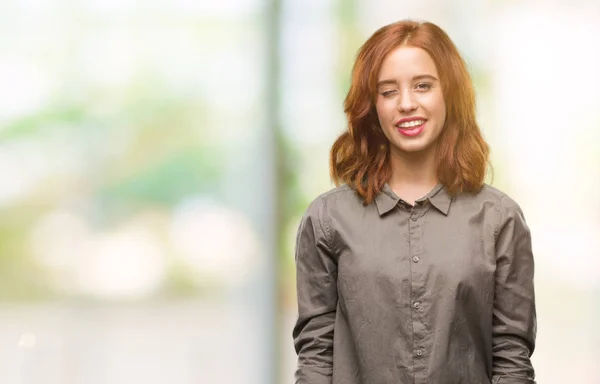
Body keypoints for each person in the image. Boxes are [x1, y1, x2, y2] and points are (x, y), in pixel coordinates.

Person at [292, 19, 536, 384]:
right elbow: (316, 357)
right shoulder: (327, 219)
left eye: (423, 86)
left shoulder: (499, 220)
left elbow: (511, 359)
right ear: (371, 106)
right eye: (388, 91)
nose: (406, 104)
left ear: (449, 94)